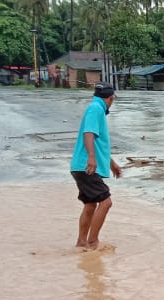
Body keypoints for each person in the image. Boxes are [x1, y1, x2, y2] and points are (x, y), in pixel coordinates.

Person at [70, 83, 123, 250]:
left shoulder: (95, 107)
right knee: (106, 202)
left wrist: (111, 164)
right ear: (110, 98)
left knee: (90, 204)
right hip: (87, 166)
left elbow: (100, 145)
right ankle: (93, 243)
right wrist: (91, 158)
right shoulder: (96, 108)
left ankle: (81, 243)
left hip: (81, 166)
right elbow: (89, 133)